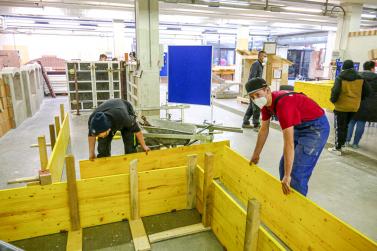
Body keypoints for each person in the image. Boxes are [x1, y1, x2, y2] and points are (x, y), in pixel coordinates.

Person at [248, 78, 330, 196]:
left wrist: (287, 176)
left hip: (316, 128)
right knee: (284, 167)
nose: (256, 99)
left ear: (267, 90)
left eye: (257, 94)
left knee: (296, 173)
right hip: (300, 125)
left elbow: (289, 143)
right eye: (252, 97)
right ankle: (287, 201)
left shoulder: (283, 105)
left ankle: (297, 210)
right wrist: (256, 154)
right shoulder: (266, 105)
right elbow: (263, 130)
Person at [329, 60, 370, 155]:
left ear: (343, 67)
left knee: (339, 127)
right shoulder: (360, 78)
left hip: (341, 106)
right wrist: (358, 99)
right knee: (346, 126)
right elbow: (367, 91)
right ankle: (342, 146)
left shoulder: (340, 77)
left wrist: (333, 100)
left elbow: (335, 91)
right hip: (354, 106)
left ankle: (337, 148)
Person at [346, 61, 377, 148]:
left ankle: (347, 141)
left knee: (351, 122)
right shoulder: (376, 78)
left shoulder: (356, 76)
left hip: (354, 102)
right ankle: (355, 144)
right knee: (361, 123)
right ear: (372, 68)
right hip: (367, 105)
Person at [242, 50, 267, 131]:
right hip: (254, 89)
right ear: (259, 56)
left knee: (251, 106)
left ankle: (245, 122)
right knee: (257, 106)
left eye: (266, 56)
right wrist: (256, 89)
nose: (265, 58)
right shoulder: (256, 64)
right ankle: (256, 125)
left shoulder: (261, 65)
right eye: (264, 56)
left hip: (256, 88)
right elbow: (252, 78)